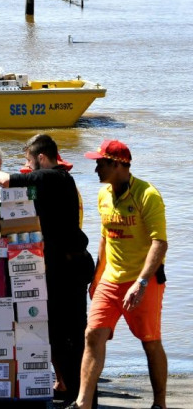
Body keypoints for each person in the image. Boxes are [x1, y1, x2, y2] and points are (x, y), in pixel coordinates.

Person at [0, 134, 94, 406]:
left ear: (41, 158)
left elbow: (6, 180)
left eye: (29, 161)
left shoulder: (54, 178)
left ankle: (81, 394)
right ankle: (69, 386)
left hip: (69, 268)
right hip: (61, 265)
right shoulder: (53, 183)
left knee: (69, 333)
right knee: (56, 330)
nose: (27, 167)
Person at [67, 141, 168, 409]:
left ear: (117, 164)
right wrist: (97, 277)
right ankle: (83, 403)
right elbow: (105, 238)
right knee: (92, 335)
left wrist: (142, 282)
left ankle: (160, 403)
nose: (96, 168)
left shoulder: (147, 195)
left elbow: (160, 243)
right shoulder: (103, 195)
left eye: (101, 163)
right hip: (110, 280)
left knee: (150, 342)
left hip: (143, 281)